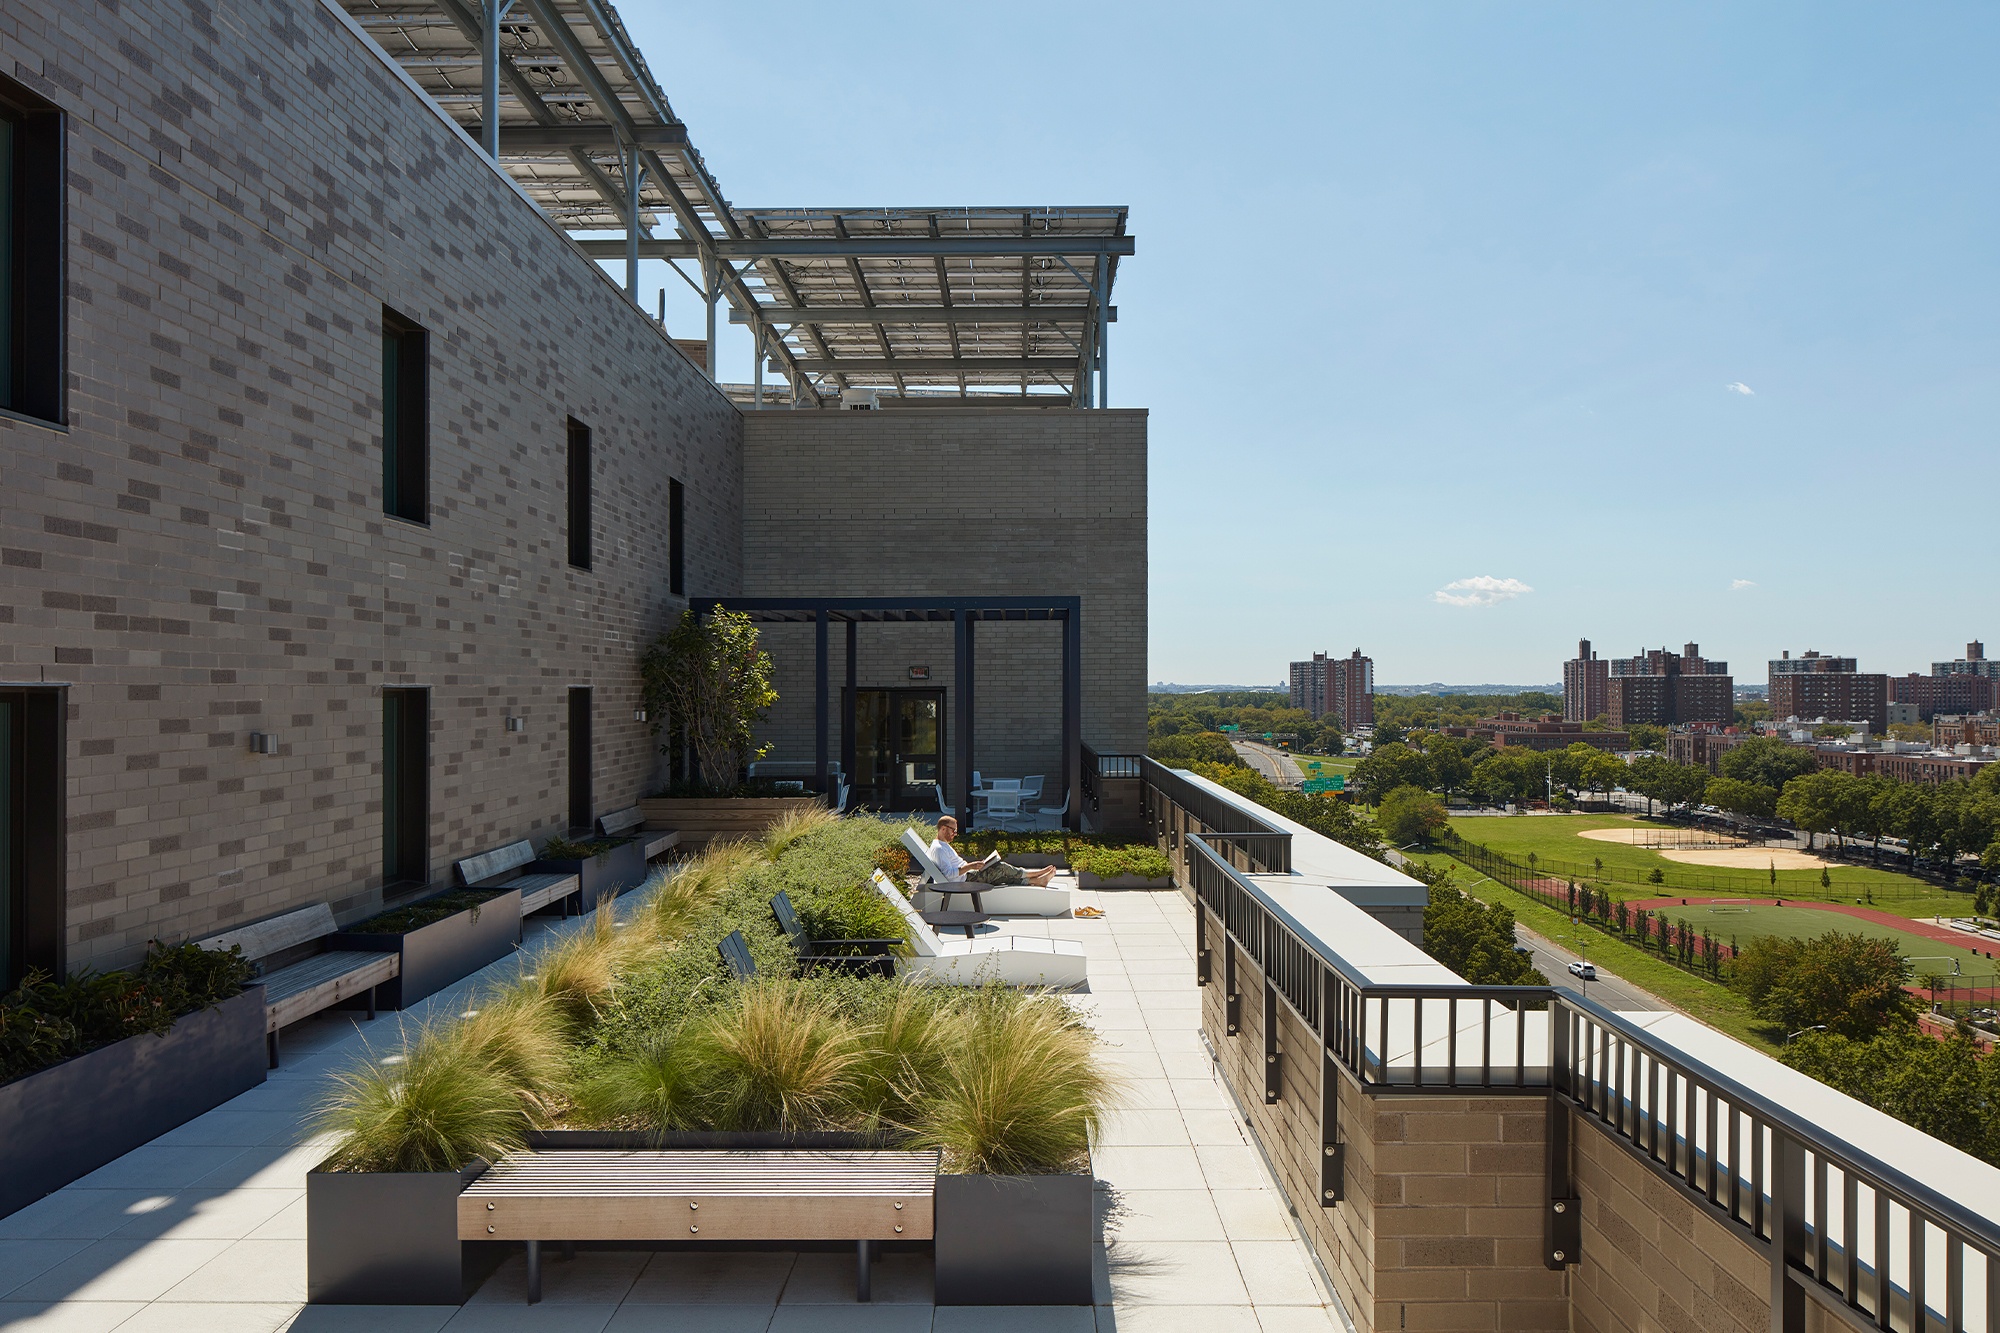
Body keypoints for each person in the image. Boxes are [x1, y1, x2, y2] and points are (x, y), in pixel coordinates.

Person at [930, 815, 1059, 887]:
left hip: (968, 875)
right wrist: (972, 865)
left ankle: (1036, 881)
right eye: (953, 831)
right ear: (942, 829)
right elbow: (948, 874)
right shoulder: (939, 849)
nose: (955, 834)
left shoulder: (942, 844)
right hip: (966, 879)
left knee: (1001, 877)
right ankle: (1033, 874)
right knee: (1001, 868)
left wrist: (974, 866)